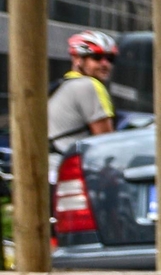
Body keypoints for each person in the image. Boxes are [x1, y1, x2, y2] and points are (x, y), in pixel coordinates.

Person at [47, 30, 119, 173]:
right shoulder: (90, 85)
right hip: (69, 173)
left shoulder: (61, 85)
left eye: (110, 58)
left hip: (50, 169)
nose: (105, 64)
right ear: (77, 59)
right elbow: (106, 140)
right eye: (96, 57)